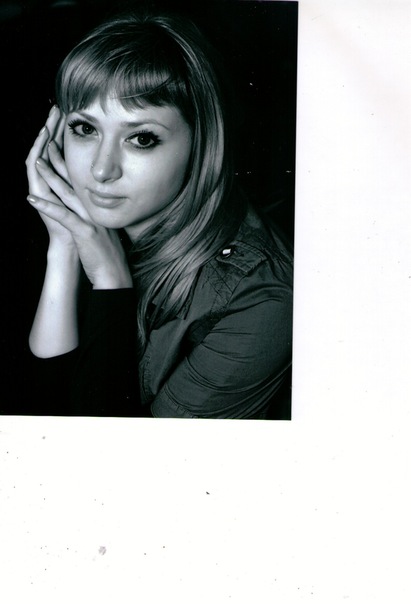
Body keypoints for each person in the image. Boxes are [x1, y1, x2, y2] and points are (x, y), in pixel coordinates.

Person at [26, 9, 293, 419]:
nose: (101, 170)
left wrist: (111, 282)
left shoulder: (259, 301)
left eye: (142, 138)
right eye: (85, 129)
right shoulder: (96, 226)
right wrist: (63, 245)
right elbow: (42, 410)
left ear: (201, 142)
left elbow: (112, 451)